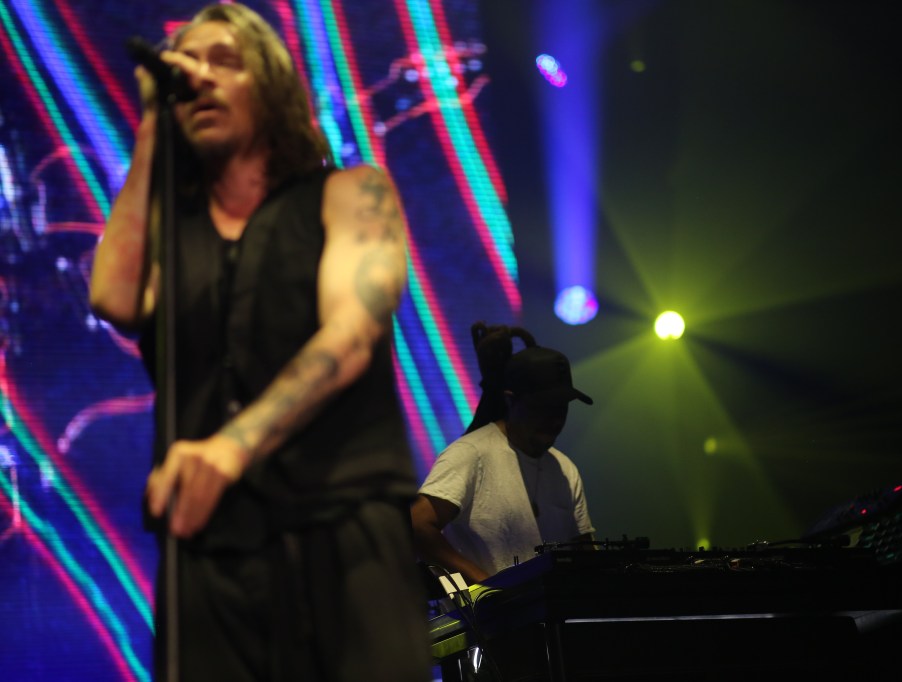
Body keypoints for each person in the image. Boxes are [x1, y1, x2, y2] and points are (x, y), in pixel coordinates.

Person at [88, 4, 429, 681]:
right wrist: (153, 121)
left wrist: (232, 447)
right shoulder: (175, 236)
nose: (198, 77)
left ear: (270, 87)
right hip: (211, 551)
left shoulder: (350, 193)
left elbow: (352, 333)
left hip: (343, 529)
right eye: (187, 66)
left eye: (223, 61)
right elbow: (115, 298)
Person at [411, 323, 595, 584]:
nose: (555, 419)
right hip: (488, 612)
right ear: (510, 400)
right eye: (543, 406)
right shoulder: (470, 454)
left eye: (561, 407)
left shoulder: (565, 469)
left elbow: (584, 550)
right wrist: (488, 588)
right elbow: (417, 525)